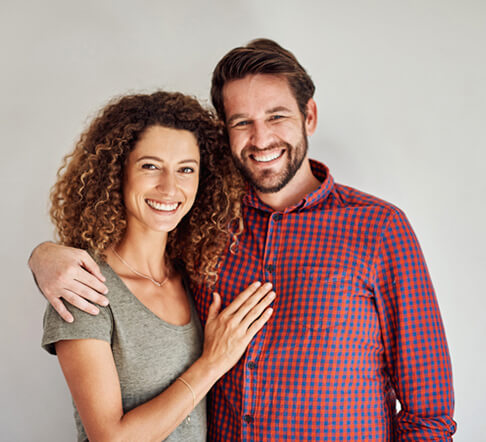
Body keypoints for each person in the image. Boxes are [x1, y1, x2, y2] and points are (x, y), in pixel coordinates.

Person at [30, 40, 456, 440]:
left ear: (309, 116)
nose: (261, 138)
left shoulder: (379, 229)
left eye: (276, 116)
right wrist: (42, 256)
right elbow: (130, 242)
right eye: (242, 122)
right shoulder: (203, 223)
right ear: (224, 131)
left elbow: (429, 412)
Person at [38, 90, 276, 441]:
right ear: (117, 171)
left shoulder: (194, 276)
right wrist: (212, 364)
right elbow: (111, 438)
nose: (169, 187)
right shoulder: (82, 288)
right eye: (150, 166)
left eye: (186, 170)